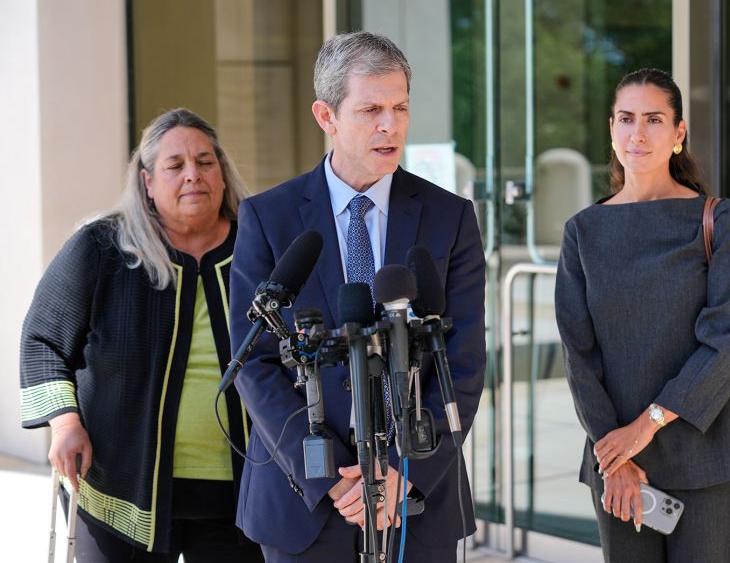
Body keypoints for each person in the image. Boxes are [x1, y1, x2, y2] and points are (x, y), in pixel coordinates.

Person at [229, 31, 486, 562]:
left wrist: (401, 473)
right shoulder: (268, 218)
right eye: (371, 109)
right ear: (326, 117)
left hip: (415, 501)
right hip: (306, 504)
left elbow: (462, 362)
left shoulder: (450, 217)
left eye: (400, 107)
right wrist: (332, 479)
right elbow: (253, 361)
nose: (390, 125)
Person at [20, 108, 263, 563]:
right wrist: (65, 423)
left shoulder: (261, 247)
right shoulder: (102, 247)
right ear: (147, 181)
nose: (193, 175)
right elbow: (42, 342)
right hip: (120, 489)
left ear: (223, 174)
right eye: (175, 166)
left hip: (243, 493)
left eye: (205, 162)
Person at [554, 68, 730, 562]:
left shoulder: (718, 220)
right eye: (626, 119)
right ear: (611, 128)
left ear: (678, 133)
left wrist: (645, 426)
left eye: (653, 119)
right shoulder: (583, 231)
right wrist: (614, 453)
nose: (638, 133)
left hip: (706, 459)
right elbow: (579, 356)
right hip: (617, 465)